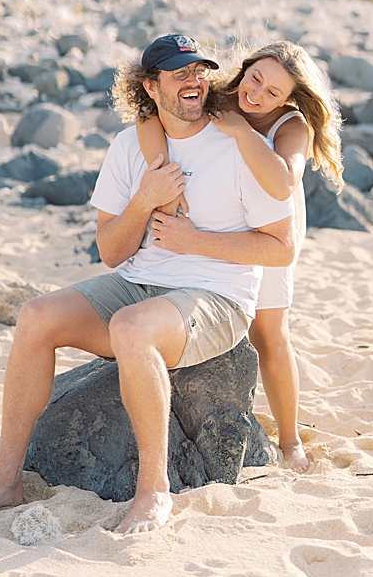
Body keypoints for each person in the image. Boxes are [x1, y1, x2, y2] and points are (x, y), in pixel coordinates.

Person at [0, 34, 296, 534]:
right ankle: (6, 478)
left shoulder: (240, 142)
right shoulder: (129, 144)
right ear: (151, 86)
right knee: (35, 317)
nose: (194, 81)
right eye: (180, 73)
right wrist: (145, 199)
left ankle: (154, 490)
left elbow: (282, 247)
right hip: (138, 283)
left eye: (200, 71)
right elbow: (112, 251)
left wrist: (192, 240)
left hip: (217, 297)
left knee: (132, 328)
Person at [136, 40, 342, 473]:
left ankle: (289, 442)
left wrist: (242, 131)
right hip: (216, 214)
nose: (257, 95)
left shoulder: (291, 127)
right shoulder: (219, 96)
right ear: (244, 69)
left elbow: (283, 185)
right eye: (255, 79)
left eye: (272, 92)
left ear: (288, 98)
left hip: (270, 226)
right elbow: (148, 118)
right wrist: (163, 176)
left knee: (269, 332)